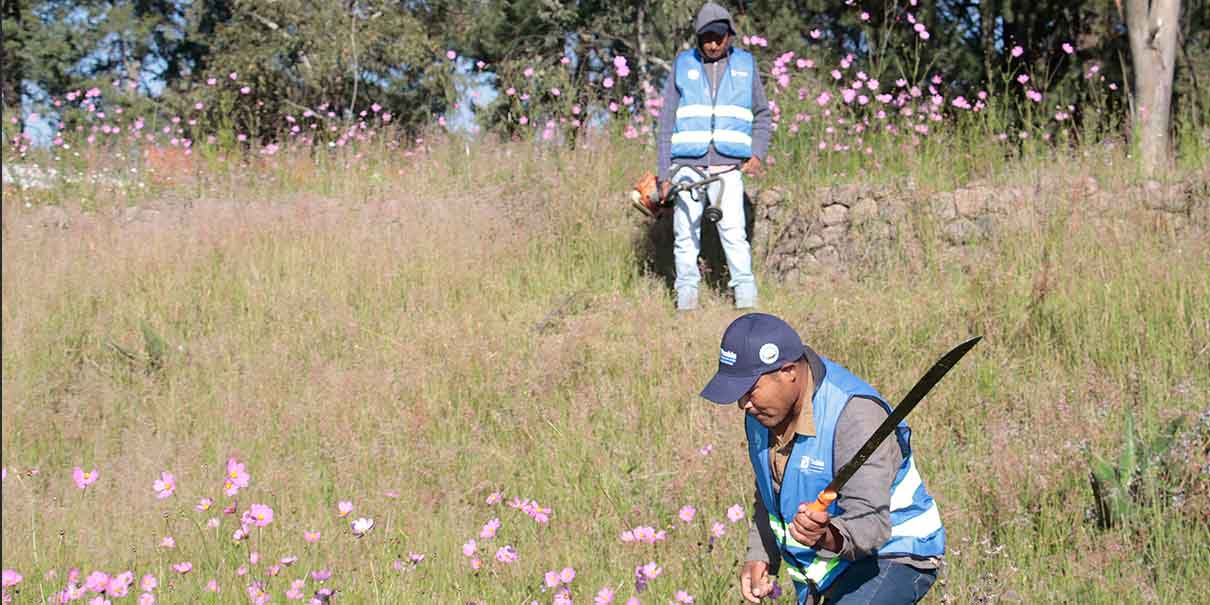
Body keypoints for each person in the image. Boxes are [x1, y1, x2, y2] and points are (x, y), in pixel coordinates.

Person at [700, 313, 945, 605]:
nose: (743, 404)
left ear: (788, 371)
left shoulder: (855, 416)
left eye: (749, 390)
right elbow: (770, 488)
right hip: (827, 565)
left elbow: (871, 523)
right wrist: (761, 553)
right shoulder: (762, 412)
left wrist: (825, 536)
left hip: (894, 553)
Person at [657, 2, 771, 311]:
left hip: (726, 168)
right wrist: (664, 175)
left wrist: (757, 153)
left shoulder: (747, 66)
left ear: (730, 36)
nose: (712, 43)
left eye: (718, 37)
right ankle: (686, 303)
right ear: (698, 38)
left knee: (734, 233)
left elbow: (762, 114)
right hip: (686, 168)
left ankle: (747, 303)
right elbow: (666, 121)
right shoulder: (682, 65)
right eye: (706, 37)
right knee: (685, 235)